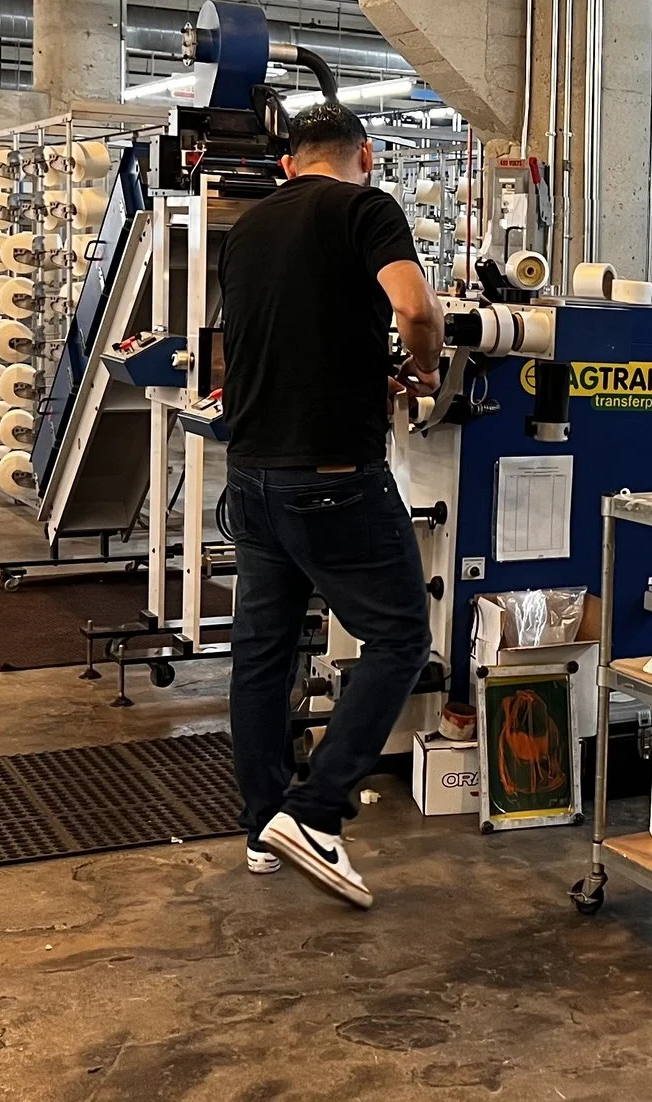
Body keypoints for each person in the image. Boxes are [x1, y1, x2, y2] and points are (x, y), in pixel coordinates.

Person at [217, 100, 441, 909]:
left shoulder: (248, 226)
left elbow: (278, 334)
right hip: (334, 474)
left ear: (288, 164)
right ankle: (316, 813)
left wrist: (362, 369)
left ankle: (262, 826)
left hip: (250, 471)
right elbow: (415, 307)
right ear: (367, 156)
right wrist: (426, 367)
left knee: (263, 652)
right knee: (399, 635)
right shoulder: (366, 208)